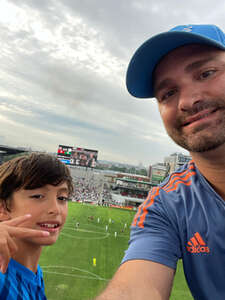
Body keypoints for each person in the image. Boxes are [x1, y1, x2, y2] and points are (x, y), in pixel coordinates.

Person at [95, 24, 225, 300]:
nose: (188, 101)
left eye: (206, 73)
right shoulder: (165, 204)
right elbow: (136, 287)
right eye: (167, 93)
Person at [0, 153, 73, 299]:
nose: (56, 209)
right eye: (38, 196)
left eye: (62, 198)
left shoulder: (33, 272)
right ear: (2, 208)